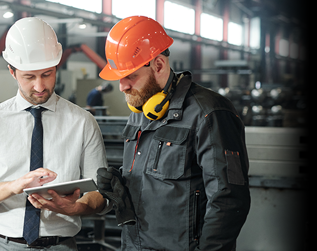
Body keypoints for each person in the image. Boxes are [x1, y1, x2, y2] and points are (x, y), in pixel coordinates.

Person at [96, 16, 250, 251]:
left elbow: (228, 200)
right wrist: (119, 186)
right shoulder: (140, 113)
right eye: (119, 78)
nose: (122, 87)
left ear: (158, 65)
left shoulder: (209, 113)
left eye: (131, 76)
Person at [0, 17, 108, 250]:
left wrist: (75, 208)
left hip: (60, 245)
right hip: (2, 244)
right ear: (12, 71)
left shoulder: (82, 122)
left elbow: (101, 193)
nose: (40, 86)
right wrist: (15, 186)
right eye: (29, 77)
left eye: (47, 74)